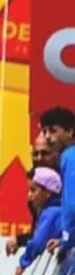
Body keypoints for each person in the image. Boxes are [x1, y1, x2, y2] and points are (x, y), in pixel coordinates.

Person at [6, 167, 63, 275]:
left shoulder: (51, 213)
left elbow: (37, 242)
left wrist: (23, 264)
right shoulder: (58, 209)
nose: (29, 195)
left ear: (48, 192)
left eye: (33, 190)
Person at [38, 106, 75, 258]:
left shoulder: (69, 157)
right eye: (44, 131)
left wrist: (67, 240)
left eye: (53, 131)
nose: (47, 137)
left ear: (70, 132)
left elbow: (72, 206)